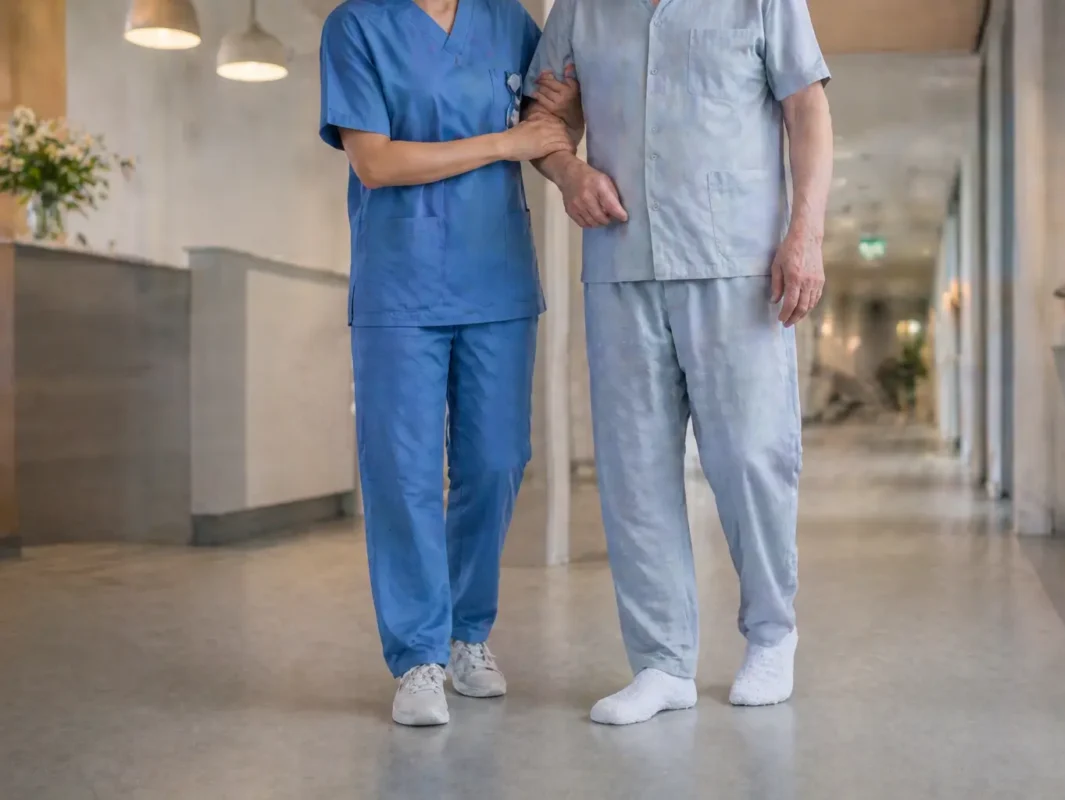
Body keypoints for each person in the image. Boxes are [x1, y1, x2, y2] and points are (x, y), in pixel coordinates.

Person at [522, 0, 834, 725]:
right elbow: (544, 119)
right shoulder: (582, 11)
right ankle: (661, 663)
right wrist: (568, 171)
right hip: (621, 265)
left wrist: (807, 234)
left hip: (737, 265)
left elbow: (806, 109)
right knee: (633, 471)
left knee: (752, 457)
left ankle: (771, 636)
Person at [318, 0, 578, 727]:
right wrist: (503, 144)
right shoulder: (356, 27)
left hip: (496, 275)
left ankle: (469, 635)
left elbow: (555, 112)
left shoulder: (510, 22)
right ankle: (419, 656)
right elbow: (375, 161)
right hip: (400, 282)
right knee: (401, 472)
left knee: (496, 462)